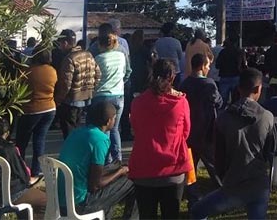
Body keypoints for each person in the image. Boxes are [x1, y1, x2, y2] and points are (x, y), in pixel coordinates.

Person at [189, 68, 274, 220]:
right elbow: (269, 152)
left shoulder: (223, 119)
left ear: (238, 88)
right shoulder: (267, 117)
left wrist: (224, 179)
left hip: (234, 182)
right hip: (259, 183)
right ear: (258, 89)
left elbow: (219, 157)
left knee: (197, 211)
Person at [129, 58, 192, 219]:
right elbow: (186, 132)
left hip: (144, 169)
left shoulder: (137, 102)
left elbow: (136, 129)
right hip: (173, 170)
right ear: (172, 77)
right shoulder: (180, 102)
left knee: (146, 215)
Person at [58, 101, 135, 218]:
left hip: (62, 199)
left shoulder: (77, 132)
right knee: (132, 179)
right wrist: (121, 172)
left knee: (115, 166)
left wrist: (117, 169)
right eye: (114, 118)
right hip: (81, 203)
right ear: (109, 121)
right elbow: (95, 185)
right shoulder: (100, 139)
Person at [0, 118, 48, 210]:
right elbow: (23, 176)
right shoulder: (8, 149)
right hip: (9, 195)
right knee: (49, 200)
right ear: (7, 133)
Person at [179, 53, 223, 184]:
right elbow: (219, 102)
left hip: (190, 129)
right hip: (206, 128)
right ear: (202, 66)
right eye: (208, 65)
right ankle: (221, 187)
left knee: (191, 162)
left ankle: (191, 187)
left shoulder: (185, 83)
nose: (209, 68)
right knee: (212, 162)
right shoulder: (209, 84)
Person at [16, 45, 57, 176]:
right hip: (49, 108)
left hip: (31, 109)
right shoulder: (52, 71)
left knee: (22, 141)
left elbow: (19, 88)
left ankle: (20, 169)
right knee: (40, 140)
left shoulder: (27, 71)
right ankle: (36, 170)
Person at [54, 29, 101, 139]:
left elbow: (66, 84)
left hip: (71, 100)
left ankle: (71, 153)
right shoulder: (88, 55)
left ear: (65, 43)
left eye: (60, 44)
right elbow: (98, 74)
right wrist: (92, 90)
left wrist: (58, 100)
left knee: (69, 132)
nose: (60, 47)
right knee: (78, 128)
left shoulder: (69, 59)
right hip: (86, 99)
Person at [93, 30, 131, 164]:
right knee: (115, 129)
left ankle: (106, 159)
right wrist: (120, 83)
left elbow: (94, 78)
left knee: (103, 130)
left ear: (100, 44)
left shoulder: (98, 59)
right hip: (119, 95)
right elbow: (128, 72)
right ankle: (118, 158)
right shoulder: (121, 55)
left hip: (102, 95)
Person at [215, 36, 246, 107]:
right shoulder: (240, 52)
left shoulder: (223, 52)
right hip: (236, 77)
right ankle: (234, 115)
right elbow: (244, 66)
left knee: (222, 101)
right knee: (236, 100)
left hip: (224, 77)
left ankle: (221, 115)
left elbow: (217, 65)